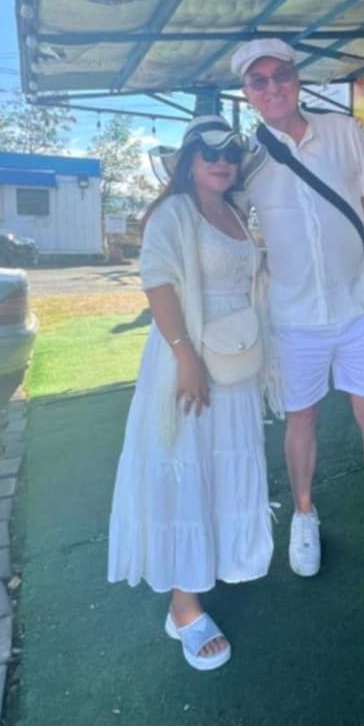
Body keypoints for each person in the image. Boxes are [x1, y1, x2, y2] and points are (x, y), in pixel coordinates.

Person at [230, 39, 364, 591]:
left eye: (281, 75)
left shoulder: (343, 131)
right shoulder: (247, 157)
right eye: (259, 81)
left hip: (356, 305)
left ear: (297, 78)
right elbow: (224, 219)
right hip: (294, 315)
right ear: (247, 93)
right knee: (300, 418)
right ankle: (304, 514)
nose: (273, 87)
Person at [107, 116, 281, 671]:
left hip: (234, 363)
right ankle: (183, 607)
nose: (221, 158)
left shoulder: (233, 211)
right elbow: (157, 283)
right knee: (188, 467)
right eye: (207, 151)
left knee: (222, 468)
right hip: (188, 363)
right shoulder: (174, 212)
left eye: (231, 149)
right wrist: (185, 357)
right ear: (187, 160)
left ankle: (215, 563)